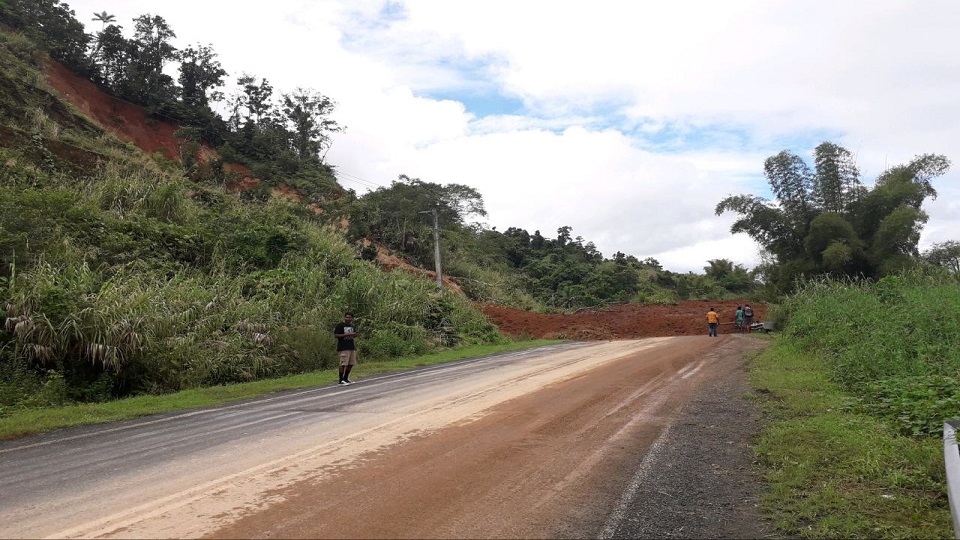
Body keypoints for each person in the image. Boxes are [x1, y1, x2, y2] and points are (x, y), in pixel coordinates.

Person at [334, 312, 358, 385]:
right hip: (343, 347)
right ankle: (341, 380)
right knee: (343, 364)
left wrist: (354, 335)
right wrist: (348, 334)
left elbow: (355, 334)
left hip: (351, 346)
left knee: (351, 363)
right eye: (347, 317)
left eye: (350, 317)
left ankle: (346, 378)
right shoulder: (340, 325)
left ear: (352, 318)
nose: (348, 319)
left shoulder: (352, 325)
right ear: (344, 317)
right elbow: (336, 335)